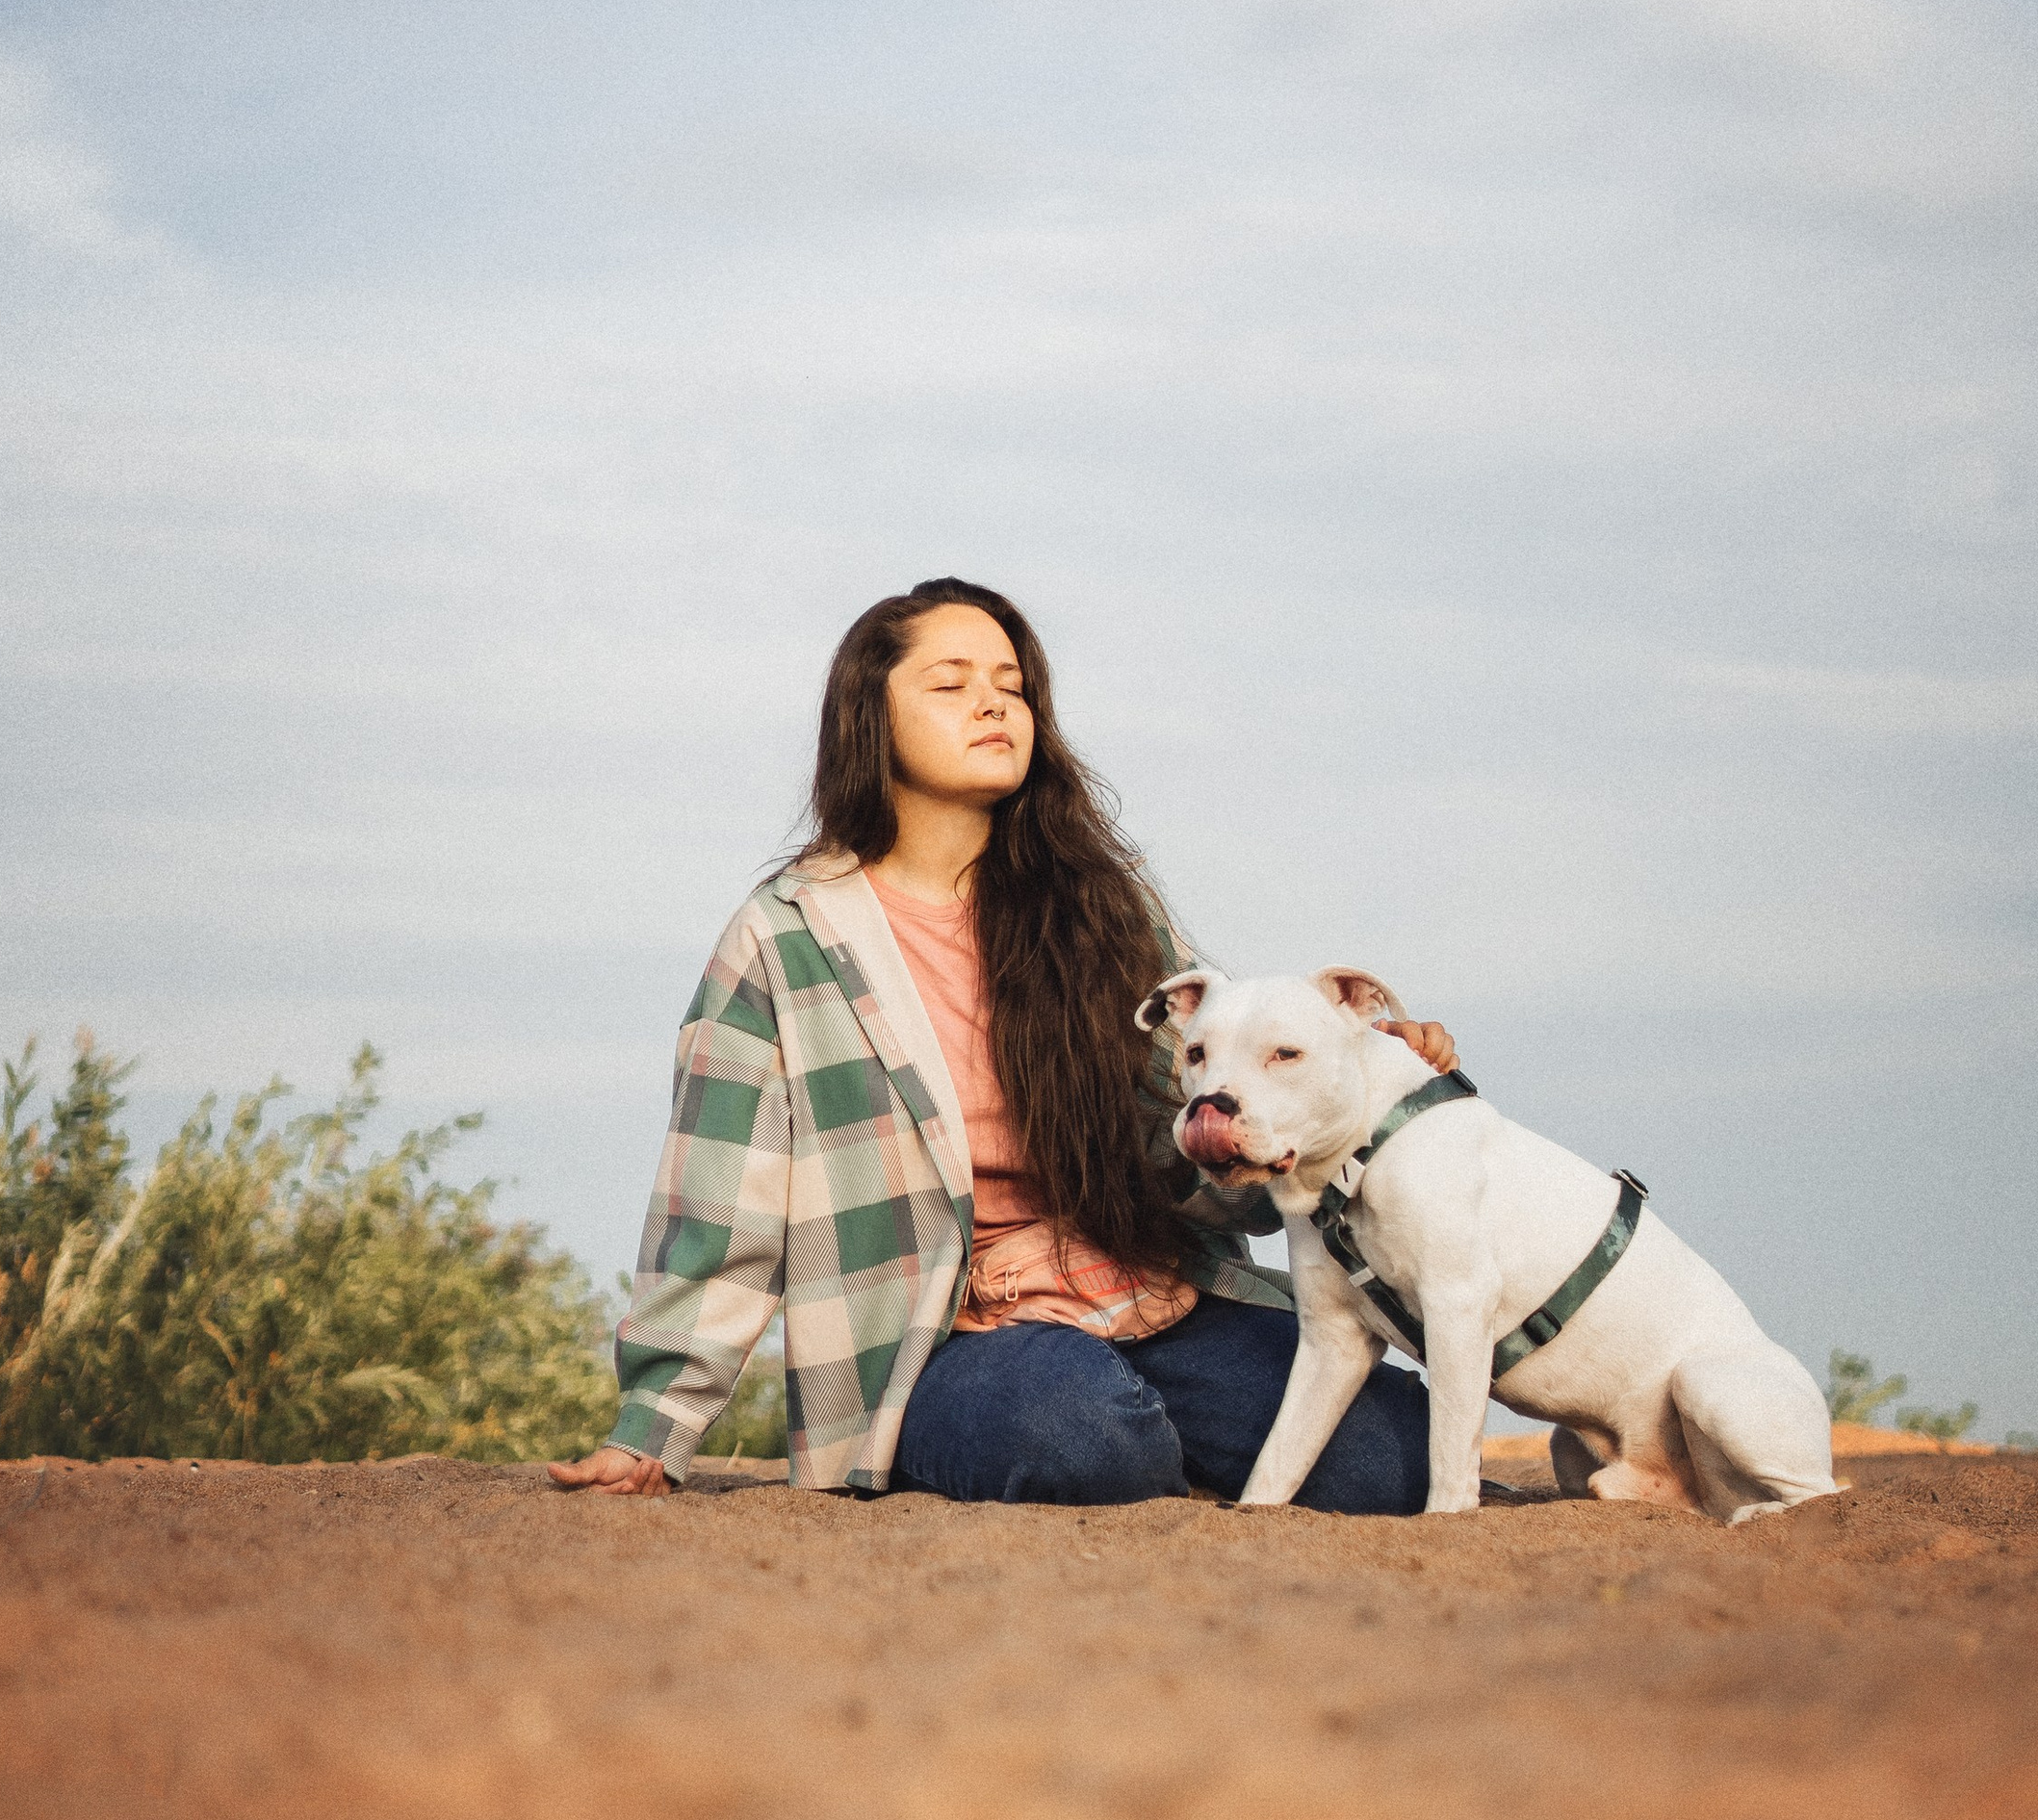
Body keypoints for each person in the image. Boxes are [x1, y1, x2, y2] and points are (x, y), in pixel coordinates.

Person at [550, 577, 1450, 1511]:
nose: (990, 702)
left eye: (1010, 684)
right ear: (871, 717)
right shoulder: (786, 938)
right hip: (943, 1346)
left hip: (1149, 1298)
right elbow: (722, 1191)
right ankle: (1026, 1440)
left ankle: (1166, 1432)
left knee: (1399, 1458)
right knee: (1083, 1434)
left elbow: (1214, 1097)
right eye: (949, 683)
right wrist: (654, 1426)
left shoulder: (1103, 907)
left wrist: (1366, 1069)